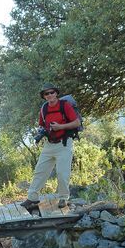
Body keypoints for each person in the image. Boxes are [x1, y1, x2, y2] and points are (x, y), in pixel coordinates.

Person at [20, 83, 81, 211]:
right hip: (49, 144)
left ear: (56, 93)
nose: (49, 95)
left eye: (51, 92)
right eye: (46, 94)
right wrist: (41, 132)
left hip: (64, 143)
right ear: (44, 96)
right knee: (40, 171)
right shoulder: (44, 108)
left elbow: (77, 122)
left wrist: (60, 127)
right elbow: (41, 124)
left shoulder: (65, 106)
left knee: (62, 173)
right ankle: (32, 198)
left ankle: (63, 198)